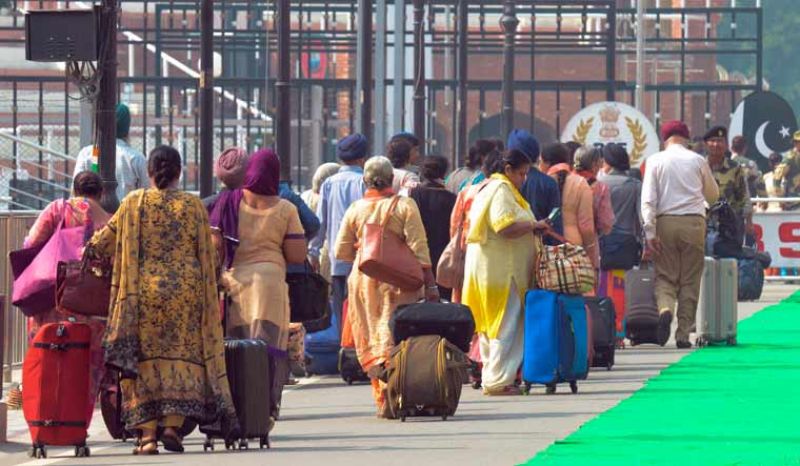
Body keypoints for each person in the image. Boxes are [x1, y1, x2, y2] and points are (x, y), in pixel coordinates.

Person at [88, 146, 236, 455]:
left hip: (142, 298)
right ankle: (172, 427)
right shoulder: (193, 206)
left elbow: (100, 244)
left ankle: (147, 437)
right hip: (185, 297)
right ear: (179, 173)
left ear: (151, 173)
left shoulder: (133, 203)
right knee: (182, 361)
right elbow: (209, 255)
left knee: (141, 365)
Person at [333, 156, 437, 416]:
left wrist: (365, 249)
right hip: (398, 283)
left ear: (365, 181)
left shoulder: (356, 209)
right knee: (394, 338)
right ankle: (399, 395)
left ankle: (383, 399)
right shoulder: (405, 205)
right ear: (392, 179)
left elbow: (341, 251)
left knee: (373, 338)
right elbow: (419, 248)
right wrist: (430, 283)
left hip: (364, 281)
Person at [210, 148, 307, 411]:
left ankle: (235, 405)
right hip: (270, 284)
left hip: (235, 284)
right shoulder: (285, 209)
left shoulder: (228, 201)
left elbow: (214, 246)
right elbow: (297, 255)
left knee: (235, 346)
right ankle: (265, 406)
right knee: (268, 348)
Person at [24, 171, 111, 426]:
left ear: (74, 190)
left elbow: (30, 244)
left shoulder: (57, 210)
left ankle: (46, 421)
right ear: (102, 193)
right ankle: (75, 426)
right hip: (92, 313)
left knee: (47, 360)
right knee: (86, 369)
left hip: (54, 304)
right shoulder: (110, 221)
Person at [462, 151, 544, 396]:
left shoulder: (489, 187)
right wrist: (534, 225)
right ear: (508, 169)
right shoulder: (501, 190)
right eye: (521, 173)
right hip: (503, 273)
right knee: (505, 326)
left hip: (490, 270)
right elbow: (504, 225)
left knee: (492, 327)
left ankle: (493, 376)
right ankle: (498, 381)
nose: (523, 179)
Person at [641, 121, 719, 349]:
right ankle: (683, 333)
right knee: (690, 279)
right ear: (686, 138)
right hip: (694, 222)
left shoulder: (654, 160)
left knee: (665, 276)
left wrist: (650, 230)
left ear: (664, 139)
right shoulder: (697, 160)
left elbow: (648, 199)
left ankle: (665, 308)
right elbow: (713, 195)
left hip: (665, 222)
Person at [309, 134, 368, 331]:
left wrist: (314, 252)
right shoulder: (363, 183)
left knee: (341, 316)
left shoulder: (329, 184)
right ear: (362, 158)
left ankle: (343, 353)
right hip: (363, 261)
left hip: (337, 260)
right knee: (361, 315)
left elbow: (320, 223)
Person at [597, 144, 643, 341]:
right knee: (621, 287)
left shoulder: (599, 183)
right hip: (626, 243)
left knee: (602, 285)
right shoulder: (634, 185)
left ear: (607, 162)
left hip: (602, 243)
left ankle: (603, 329)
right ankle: (619, 331)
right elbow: (641, 218)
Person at [449, 149, 503, 303]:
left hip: (467, 248)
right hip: (493, 253)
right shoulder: (502, 191)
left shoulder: (467, 191)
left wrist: (457, 248)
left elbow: (455, 224)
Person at [539, 143, 599, 270]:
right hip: (574, 249)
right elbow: (586, 226)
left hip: (546, 248)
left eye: (540, 162)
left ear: (547, 163)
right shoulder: (581, 184)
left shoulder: (541, 182)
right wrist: (590, 253)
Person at [73, 103, 148, 201]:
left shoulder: (88, 154)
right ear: (126, 128)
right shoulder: (136, 158)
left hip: (92, 214)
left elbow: (75, 191)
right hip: (126, 215)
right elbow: (145, 195)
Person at [409, 155, 457, 300]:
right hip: (443, 256)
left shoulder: (413, 195)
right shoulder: (451, 198)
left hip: (417, 255)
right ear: (443, 173)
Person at [508, 129, 564, 238]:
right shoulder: (549, 183)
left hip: (512, 247)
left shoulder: (504, 182)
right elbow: (555, 223)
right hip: (542, 247)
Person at [705, 126, 753, 241]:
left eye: (720, 141)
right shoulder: (699, 166)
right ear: (706, 144)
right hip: (704, 225)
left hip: (730, 225)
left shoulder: (735, 168)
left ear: (727, 145)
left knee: (731, 258)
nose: (716, 145)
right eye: (712, 141)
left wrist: (749, 222)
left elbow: (744, 197)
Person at [573, 146, 615, 237]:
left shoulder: (565, 181)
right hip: (589, 240)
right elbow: (606, 223)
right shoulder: (600, 188)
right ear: (594, 164)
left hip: (565, 239)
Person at [730, 135, 765, 200]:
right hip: (746, 201)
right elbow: (759, 184)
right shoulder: (750, 164)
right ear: (745, 148)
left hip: (728, 202)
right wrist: (764, 200)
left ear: (731, 148)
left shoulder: (725, 163)